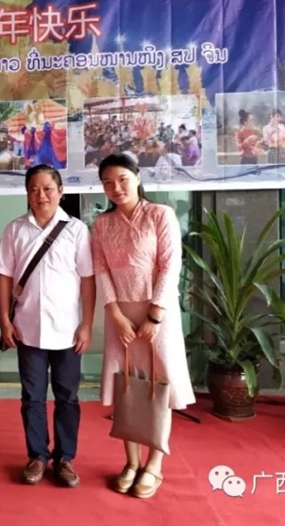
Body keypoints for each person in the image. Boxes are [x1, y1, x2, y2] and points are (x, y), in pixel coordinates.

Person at [92, 153, 195, 500]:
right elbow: (101, 270)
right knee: (127, 385)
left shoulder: (160, 214)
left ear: (137, 177)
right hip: (119, 315)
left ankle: (154, 464)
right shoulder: (102, 224)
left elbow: (170, 265)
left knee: (157, 385)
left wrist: (155, 315)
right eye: (108, 182)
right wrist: (115, 313)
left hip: (158, 313)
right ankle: (131, 462)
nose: (116, 188)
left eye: (122, 179)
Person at [0, 165, 95, 488]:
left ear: (61, 191)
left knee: (68, 397)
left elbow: (88, 280)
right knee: (32, 397)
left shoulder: (77, 230)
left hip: (68, 331)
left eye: (48, 189)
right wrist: (4, 320)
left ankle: (65, 459)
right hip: (27, 329)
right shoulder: (15, 229)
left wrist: (87, 324)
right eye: (34, 190)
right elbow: (4, 277)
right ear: (27, 194)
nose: (41, 196)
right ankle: (37, 455)